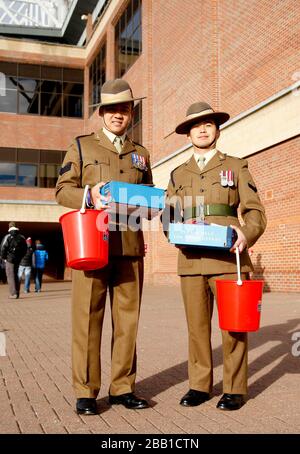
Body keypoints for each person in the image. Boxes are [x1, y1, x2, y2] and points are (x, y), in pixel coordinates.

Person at [55, 79, 153, 415]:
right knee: (87, 319)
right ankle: (85, 390)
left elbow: (149, 197)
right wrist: (89, 195)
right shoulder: (82, 146)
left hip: (128, 246)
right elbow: (62, 190)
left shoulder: (142, 154)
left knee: (127, 322)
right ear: (101, 113)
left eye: (124, 108)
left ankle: (123, 388)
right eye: (111, 108)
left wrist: (151, 210)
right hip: (91, 245)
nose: (117, 114)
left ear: (130, 113)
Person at [162, 102, 267, 411]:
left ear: (217, 129)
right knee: (196, 328)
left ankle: (234, 388)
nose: (203, 129)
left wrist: (247, 233)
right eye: (196, 126)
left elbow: (255, 210)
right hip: (192, 259)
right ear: (188, 133)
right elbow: (168, 215)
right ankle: (199, 385)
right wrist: (175, 233)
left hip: (228, 258)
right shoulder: (178, 173)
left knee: (233, 326)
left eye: (208, 124)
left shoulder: (236, 165)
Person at [0, 222, 27, 299]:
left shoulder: (8, 236)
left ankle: (13, 293)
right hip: (18, 259)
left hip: (9, 259)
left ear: (9, 227)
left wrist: (4, 258)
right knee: (15, 275)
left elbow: (3, 248)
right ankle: (17, 292)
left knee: (10, 276)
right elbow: (25, 249)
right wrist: (20, 257)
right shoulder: (22, 237)